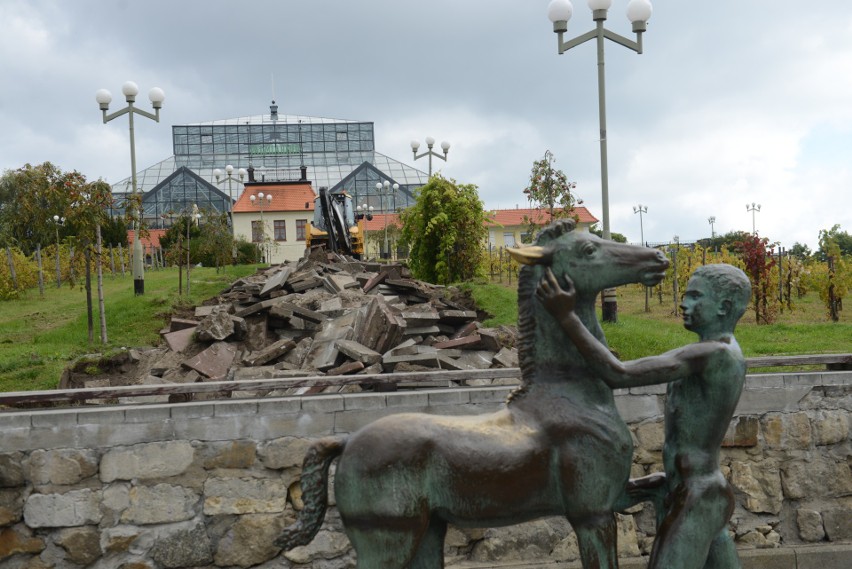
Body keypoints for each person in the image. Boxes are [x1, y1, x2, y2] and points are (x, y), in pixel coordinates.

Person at [536, 263, 751, 569]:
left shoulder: (715, 354)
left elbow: (618, 373)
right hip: (689, 489)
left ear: (723, 307)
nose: (683, 303)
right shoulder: (706, 351)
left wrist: (566, 316)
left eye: (694, 296)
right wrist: (648, 485)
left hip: (699, 496)